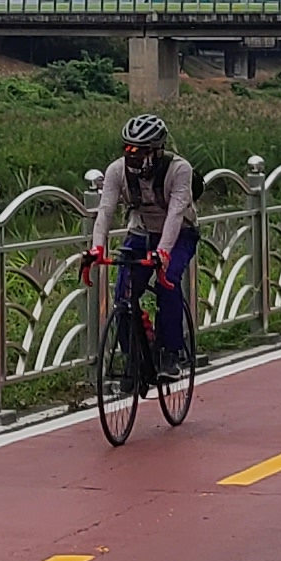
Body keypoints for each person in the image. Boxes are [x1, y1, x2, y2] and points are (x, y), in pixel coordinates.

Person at [87, 111, 199, 372]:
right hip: (141, 232)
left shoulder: (180, 169)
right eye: (129, 150)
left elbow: (175, 214)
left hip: (180, 234)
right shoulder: (117, 170)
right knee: (123, 295)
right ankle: (134, 355)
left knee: (167, 281)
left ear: (158, 151)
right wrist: (97, 248)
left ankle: (171, 351)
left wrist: (163, 253)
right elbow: (105, 210)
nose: (134, 157)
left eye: (141, 151)